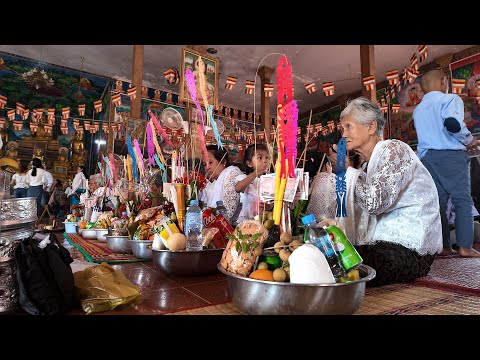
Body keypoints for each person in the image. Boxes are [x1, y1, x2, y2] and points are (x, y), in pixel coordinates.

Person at [325, 97, 442, 287]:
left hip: (410, 250)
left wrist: (346, 171)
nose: (343, 134)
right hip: (384, 245)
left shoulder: (394, 150)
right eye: (342, 129)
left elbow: (374, 203)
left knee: (335, 264)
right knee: (327, 253)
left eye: (348, 127)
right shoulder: (366, 165)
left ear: (371, 127)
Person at [413, 69, 480, 257]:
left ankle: (443, 247)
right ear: (444, 81)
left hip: (426, 159)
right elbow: (452, 124)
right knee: (462, 200)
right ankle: (465, 246)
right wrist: (470, 141)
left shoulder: (418, 110)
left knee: (438, 204)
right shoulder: (449, 99)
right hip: (450, 156)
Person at [201, 145, 242, 224]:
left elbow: (227, 213)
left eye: (210, 162)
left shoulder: (232, 174)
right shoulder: (214, 183)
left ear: (223, 162)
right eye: (204, 164)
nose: (207, 167)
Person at [234, 143, 271, 223]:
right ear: (249, 163)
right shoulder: (245, 178)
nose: (265, 161)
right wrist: (255, 174)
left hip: (264, 221)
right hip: (247, 221)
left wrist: (270, 206)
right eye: (260, 158)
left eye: (267, 157)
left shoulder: (270, 180)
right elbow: (238, 188)